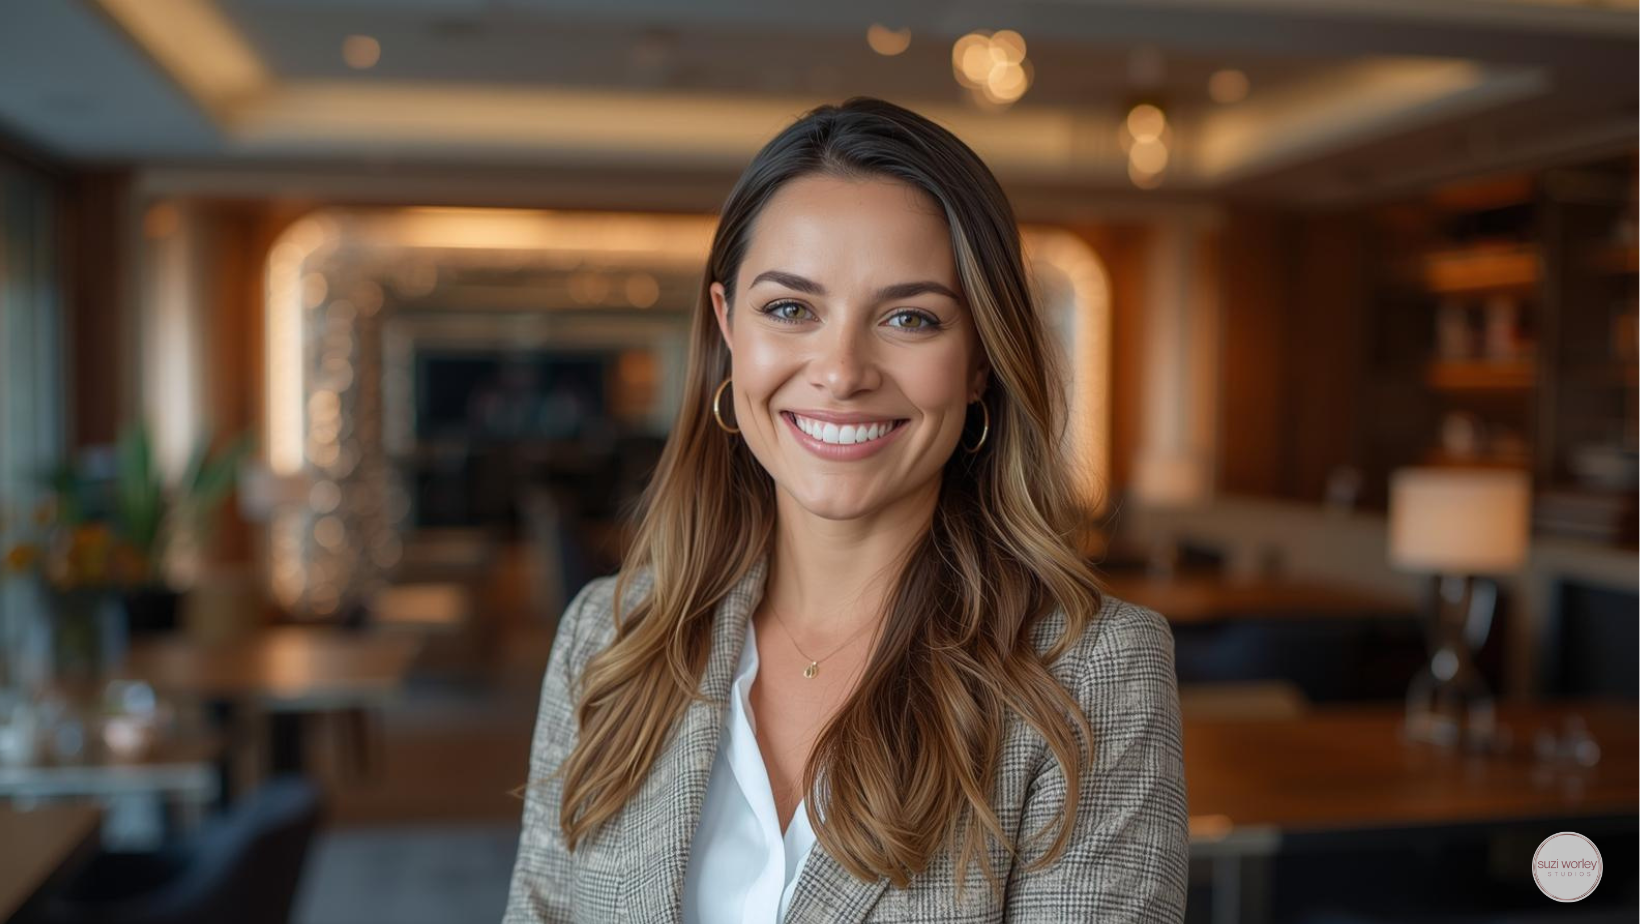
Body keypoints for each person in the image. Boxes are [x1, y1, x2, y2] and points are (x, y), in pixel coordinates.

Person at [504, 97, 1189, 924]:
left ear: (979, 362)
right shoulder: (606, 638)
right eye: (791, 309)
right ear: (727, 330)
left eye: (910, 318)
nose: (841, 371)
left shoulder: (1092, 677)